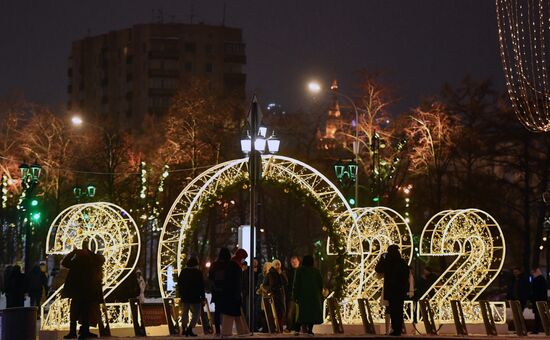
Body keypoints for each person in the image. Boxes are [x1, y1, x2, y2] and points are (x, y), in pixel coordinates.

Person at [61, 242, 105, 339]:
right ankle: (83, 331)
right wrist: (88, 252)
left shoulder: (79, 261)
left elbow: (65, 262)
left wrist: (74, 252)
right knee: (83, 312)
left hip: (80, 292)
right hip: (87, 292)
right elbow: (101, 259)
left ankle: (76, 332)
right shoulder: (92, 261)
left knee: (76, 312)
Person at [375, 245, 410, 336]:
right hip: (400, 290)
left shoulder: (388, 262)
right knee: (399, 309)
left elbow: (378, 269)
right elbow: (406, 274)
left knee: (393, 310)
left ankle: (395, 329)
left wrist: (382, 259)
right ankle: (398, 329)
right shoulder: (402, 263)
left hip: (391, 290)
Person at [292, 255, 323, 335]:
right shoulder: (316, 271)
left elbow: (296, 284)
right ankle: (310, 330)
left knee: (300, 313)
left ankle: (297, 330)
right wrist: (319, 294)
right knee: (311, 314)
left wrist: (295, 296)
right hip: (314, 296)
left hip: (302, 296)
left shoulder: (299, 270)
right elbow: (320, 284)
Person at [221, 248, 248, 336]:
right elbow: (237, 282)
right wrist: (238, 294)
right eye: (244, 258)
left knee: (235, 313)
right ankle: (228, 332)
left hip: (229, 294)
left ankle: (242, 330)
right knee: (232, 313)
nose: (244, 260)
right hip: (233, 294)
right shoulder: (236, 266)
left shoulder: (231, 264)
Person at [177, 257, 205, 337]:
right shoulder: (198, 272)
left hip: (185, 296)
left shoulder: (183, 272)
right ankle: (190, 328)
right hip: (195, 297)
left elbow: (179, 284)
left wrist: (181, 294)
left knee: (184, 312)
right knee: (196, 313)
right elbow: (201, 286)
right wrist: (202, 297)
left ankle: (184, 328)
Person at [208, 247, 231, 335]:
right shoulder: (229, 265)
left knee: (217, 310)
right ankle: (226, 329)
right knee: (227, 310)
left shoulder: (214, 265)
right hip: (226, 291)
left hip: (216, 290)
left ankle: (217, 330)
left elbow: (210, 277)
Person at [264, 259, 288, 332]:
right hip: (274, 296)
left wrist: (281, 274)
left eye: (278, 264)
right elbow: (265, 284)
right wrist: (270, 290)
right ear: (273, 265)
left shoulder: (281, 273)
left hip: (280, 296)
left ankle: (280, 328)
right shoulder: (270, 273)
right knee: (275, 312)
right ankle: (275, 328)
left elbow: (286, 282)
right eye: (276, 264)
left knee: (280, 312)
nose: (277, 266)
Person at [530, 267, 548, 334]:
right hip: (540, 300)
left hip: (538, 301)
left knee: (538, 316)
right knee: (539, 315)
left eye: (532, 272)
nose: (532, 274)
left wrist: (532, 299)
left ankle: (536, 329)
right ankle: (538, 329)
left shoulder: (537, 280)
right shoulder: (541, 279)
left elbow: (535, 291)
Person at [285, 256, 300, 332]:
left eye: (295, 261)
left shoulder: (301, 271)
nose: (294, 263)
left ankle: (298, 327)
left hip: (299, 295)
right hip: (291, 295)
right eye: (292, 262)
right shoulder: (289, 272)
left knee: (298, 312)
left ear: (298, 262)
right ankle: (289, 327)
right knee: (290, 312)